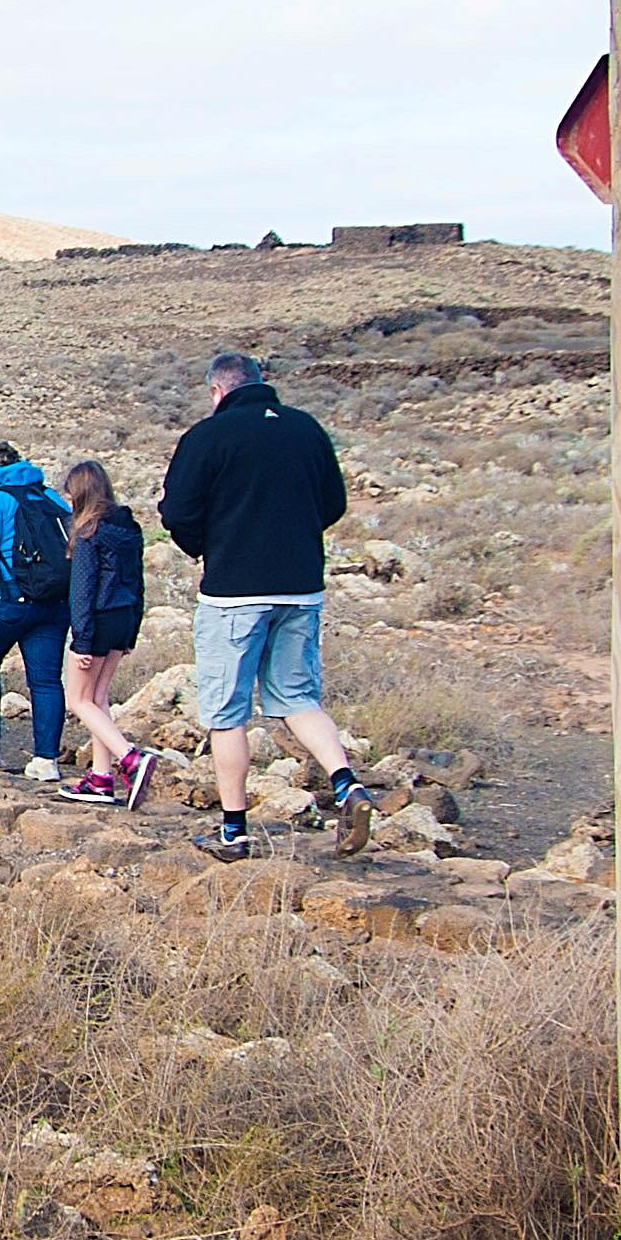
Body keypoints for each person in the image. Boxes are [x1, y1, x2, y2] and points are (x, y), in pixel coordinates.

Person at [157, 351, 374, 859]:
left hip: (234, 590)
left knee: (227, 712)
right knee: (297, 697)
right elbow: (335, 503)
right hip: (300, 586)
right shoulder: (306, 429)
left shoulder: (207, 437)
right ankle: (346, 782)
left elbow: (177, 511)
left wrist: (211, 544)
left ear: (217, 392)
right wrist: (293, 537)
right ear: (262, 382)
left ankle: (234, 831)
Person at [0, 441, 75, 781]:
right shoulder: (50, 497)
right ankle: (46, 761)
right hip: (53, 602)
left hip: (7, 601)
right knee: (46, 680)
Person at [55, 459, 156, 806]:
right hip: (122, 618)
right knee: (98, 698)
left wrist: (81, 638)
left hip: (97, 622)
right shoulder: (129, 529)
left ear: (80, 493)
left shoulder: (89, 532)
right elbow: (137, 582)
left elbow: (82, 591)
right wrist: (132, 631)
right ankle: (101, 778)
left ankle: (130, 758)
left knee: (78, 699)